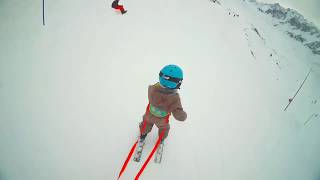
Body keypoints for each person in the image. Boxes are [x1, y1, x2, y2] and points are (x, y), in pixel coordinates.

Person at [138, 65, 187, 146]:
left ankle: (143, 134)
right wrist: (182, 115)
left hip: (149, 114)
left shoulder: (152, 88)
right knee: (164, 128)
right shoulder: (174, 98)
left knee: (146, 123)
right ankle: (161, 138)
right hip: (161, 119)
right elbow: (178, 114)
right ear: (177, 83)